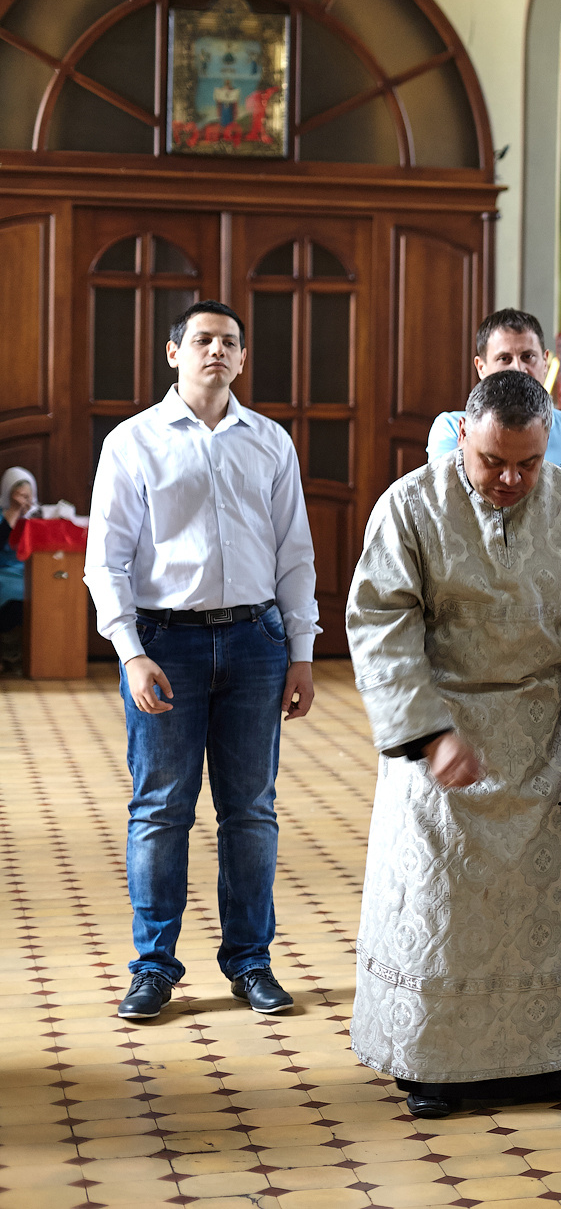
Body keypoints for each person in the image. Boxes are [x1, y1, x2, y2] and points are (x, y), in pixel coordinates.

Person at [347, 370, 561, 1118]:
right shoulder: (411, 505)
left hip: (539, 735)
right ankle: (434, 1059)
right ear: (464, 437)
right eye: (493, 461)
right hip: (440, 739)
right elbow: (380, 622)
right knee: (443, 908)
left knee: (539, 908)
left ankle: (549, 1057)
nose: (511, 479)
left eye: (528, 463)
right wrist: (428, 732)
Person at [83, 300, 320, 1022]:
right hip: (167, 646)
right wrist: (130, 652)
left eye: (229, 343)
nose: (216, 351)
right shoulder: (134, 442)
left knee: (251, 811)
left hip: (256, 642)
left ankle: (251, 963)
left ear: (243, 360)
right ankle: (153, 966)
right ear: (173, 352)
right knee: (160, 811)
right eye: (203, 340)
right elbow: (107, 559)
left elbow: (295, 555)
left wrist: (302, 653)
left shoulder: (271, 442)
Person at [427, 309, 561, 525]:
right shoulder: (451, 428)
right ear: (481, 367)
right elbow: (444, 513)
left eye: (528, 357)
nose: (518, 368)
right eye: (504, 358)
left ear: (545, 361)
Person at [0, 467, 37, 673]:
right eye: (19, 495)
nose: (24, 500)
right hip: (4, 572)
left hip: (29, 574)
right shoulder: (2, 517)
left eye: (27, 496)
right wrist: (12, 513)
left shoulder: (35, 520)